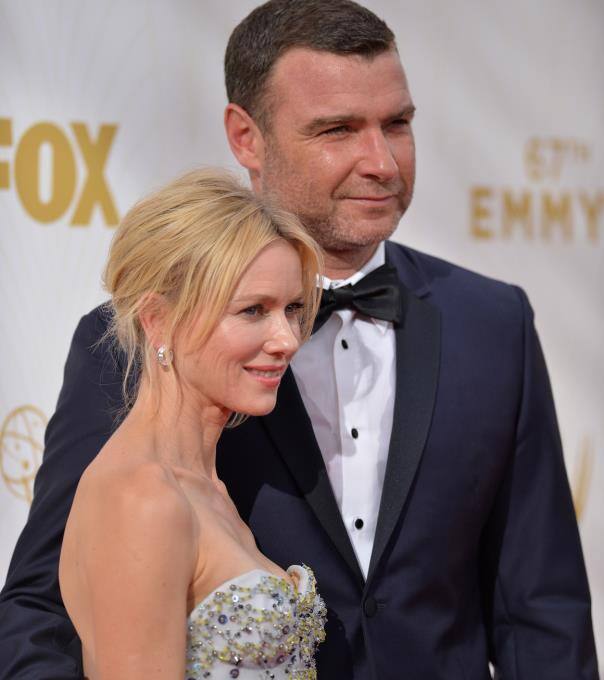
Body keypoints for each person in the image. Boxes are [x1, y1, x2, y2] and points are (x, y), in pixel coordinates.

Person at [0, 1, 598, 679]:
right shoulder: (135, 339)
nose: (381, 161)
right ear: (246, 137)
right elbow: (42, 611)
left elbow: (541, 614)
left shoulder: (494, 324)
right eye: (337, 129)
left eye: (397, 124)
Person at [59, 168, 326, 679]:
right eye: (253, 310)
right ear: (158, 320)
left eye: (292, 308)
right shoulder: (143, 498)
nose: (288, 339)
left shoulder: (204, 485)